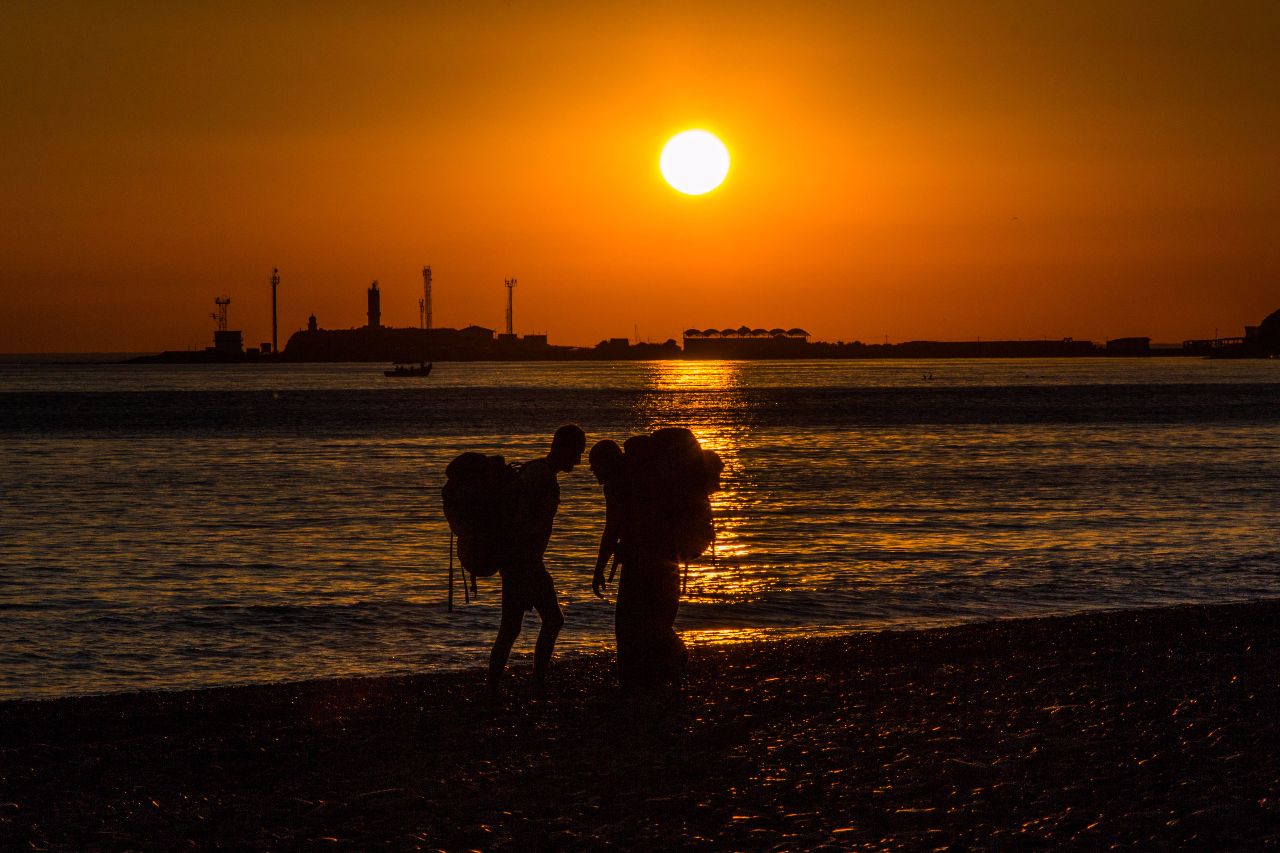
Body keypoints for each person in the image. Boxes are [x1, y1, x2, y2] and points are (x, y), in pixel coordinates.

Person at [487, 424, 586, 697]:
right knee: (552, 620)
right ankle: (536, 683)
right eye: (576, 453)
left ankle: (494, 686)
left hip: (517, 561)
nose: (578, 461)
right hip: (525, 561)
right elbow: (522, 521)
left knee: (511, 628)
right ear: (562, 448)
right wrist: (527, 560)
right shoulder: (541, 477)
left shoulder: (534, 470)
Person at [589, 436, 688, 689]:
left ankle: (631, 681)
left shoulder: (617, 482)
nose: (592, 471)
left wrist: (599, 568)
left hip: (640, 562)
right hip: (667, 557)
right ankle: (662, 670)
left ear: (607, 461)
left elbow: (612, 529)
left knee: (626, 622)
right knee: (655, 619)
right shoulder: (645, 476)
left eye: (594, 465)